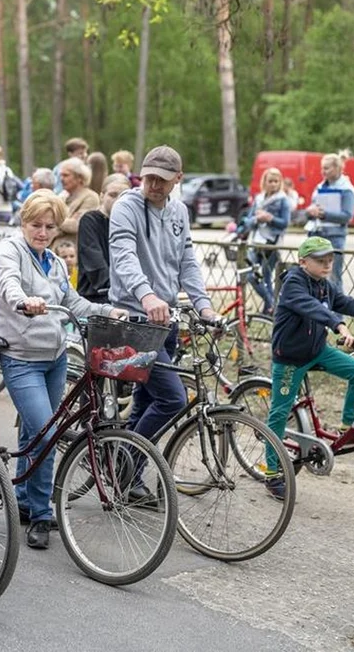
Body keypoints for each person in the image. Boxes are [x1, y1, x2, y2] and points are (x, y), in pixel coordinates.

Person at [0, 190, 125, 549]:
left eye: (50, 226)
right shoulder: (10, 251)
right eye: (36, 225)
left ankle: (21, 499)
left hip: (55, 358)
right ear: (23, 222)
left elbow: (72, 301)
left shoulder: (54, 261)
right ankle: (41, 513)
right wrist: (24, 302)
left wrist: (106, 310)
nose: (43, 232)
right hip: (22, 358)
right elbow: (8, 285)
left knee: (33, 434)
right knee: (47, 435)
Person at [264, 237, 354, 500]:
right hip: (290, 358)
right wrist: (339, 326)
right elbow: (310, 308)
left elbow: (349, 303)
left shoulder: (324, 286)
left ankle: (347, 426)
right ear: (303, 262)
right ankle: (272, 473)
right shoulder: (293, 283)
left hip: (318, 350)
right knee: (279, 412)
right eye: (321, 261)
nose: (327, 264)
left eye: (330, 260)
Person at [109, 145, 218, 496]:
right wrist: (147, 295)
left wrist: (204, 305)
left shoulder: (179, 212)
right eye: (148, 177)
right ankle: (124, 463)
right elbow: (124, 255)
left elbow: (187, 260)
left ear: (177, 180)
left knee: (145, 401)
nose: (153, 184)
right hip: (136, 319)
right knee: (172, 399)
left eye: (162, 180)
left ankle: (130, 478)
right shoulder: (127, 206)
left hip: (165, 321)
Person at [239, 167, 291, 315]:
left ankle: (268, 309)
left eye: (276, 181)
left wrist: (270, 218)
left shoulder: (283, 200)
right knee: (251, 274)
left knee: (267, 277)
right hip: (255, 242)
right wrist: (257, 219)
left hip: (271, 243)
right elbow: (248, 220)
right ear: (265, 182)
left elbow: (285, 223)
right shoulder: (259, 198)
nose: (273, 184)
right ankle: (271, 303)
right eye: (271, 181)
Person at [305, 150, 354, 291]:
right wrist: (310, 212)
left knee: (333, 279)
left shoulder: (346, 190)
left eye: (326, 168)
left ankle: (336, 313)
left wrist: (323, 214)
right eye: (322, 168)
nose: (323, 171)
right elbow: (312, 209)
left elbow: (347, 215)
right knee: (313, 277)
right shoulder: (320, 187)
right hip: (316, 235)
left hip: (334, 237)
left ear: (337, 168)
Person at [76, 173, 130, 304]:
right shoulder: (90, 221)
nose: (118, 200)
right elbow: (96, 268)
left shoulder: (130, 223)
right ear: (101, 196)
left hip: (126, 295)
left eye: (123, 196)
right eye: (112, 195)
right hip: (95, 298)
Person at [55, 157, 99, 249]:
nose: (62, 179)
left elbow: (76, 226)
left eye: (66, 175)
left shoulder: (90, 197)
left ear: (80, 177)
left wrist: (54, 218)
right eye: (61, 175)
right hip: (55, 249)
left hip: (74, 252)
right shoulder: (62, 196)